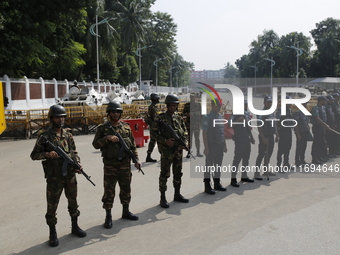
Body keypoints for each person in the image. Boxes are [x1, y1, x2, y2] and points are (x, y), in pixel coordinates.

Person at [30, 105, 86, 247]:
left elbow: (74, 152)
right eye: (57, 117)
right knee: (52, 206)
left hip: (70, 176)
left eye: (62, 117)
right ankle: (52, 232)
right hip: (54, 177)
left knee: (73, 201)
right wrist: (47, 154)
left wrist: (78, 164)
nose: (60, 119)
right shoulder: (44, 135)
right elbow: (34, 155)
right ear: (51, 118)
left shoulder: (68, 134)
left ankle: (75, 226)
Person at [92, 101, 141, 229]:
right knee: (109, 191)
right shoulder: (103, 128)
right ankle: (108, 216)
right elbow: (95, 144)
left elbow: (132, 145)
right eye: (113, 111)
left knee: (126, 188)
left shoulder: (126, 127)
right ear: (109, 113)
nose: (116, 114)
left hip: (125, 164)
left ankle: (126, 211)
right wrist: (106, 138)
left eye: (118, 112)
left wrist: (137, 159)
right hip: (110, 165)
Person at [151, 94, 189, 208]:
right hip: (167, 151)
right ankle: (163, 198)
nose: (173, 107)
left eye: (175, 105)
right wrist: (165, 141)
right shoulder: (160, 118)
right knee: (164, 174)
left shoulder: (178, 117)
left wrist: (185, 142)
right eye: (171, 105)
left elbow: (185, 130)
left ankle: (177, 194)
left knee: (178, 173)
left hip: (178, 150)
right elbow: (153, 133)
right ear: (167, 105)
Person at [202, 98, 227, 194]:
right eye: (218, 105)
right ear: (213, 106)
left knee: (218, 165)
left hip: (219, 145)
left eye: (220, 106)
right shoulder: (207, 117)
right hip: (211, 145)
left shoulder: (220, 116)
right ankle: (207, 185)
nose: (219, 107)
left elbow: (222, 131)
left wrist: (224, 145)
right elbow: (204, 133)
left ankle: (217, 183)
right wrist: (206, 148)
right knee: (209, 166)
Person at [229, 99, 255, 187]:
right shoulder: (235, 114)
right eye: (244, 105)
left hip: (246, 138)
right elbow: (229, 124)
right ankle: (233, 179)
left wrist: (251, 137)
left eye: (246, 105)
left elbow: (248, 126)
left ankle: (244, 176)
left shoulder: (246, 114)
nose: (245, 106)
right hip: (239, 139)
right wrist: (239, 120)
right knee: (237, 159)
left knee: (246, 158)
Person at [254, 95, 279, 179]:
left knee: (269, 154)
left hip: (271, 136)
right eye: (268, 102)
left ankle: (266, 170)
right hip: (264, 136)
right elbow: (259, 125)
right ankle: (256, 173)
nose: (269, 103)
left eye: (270, 102)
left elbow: (274, 124)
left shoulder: (272, 112)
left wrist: (277, 134)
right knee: (261, 154)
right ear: (264, 102)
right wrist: (263, 138)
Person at [182, 93, 203, 158]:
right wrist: (187, 114)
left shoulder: (198, 105)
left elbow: (201, 114)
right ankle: (189, 152)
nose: (192, 98)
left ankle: (198, 152)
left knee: (197, 138)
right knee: (189, 139)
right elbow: (183, 113)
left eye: (193, 97)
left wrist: (193, 114)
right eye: (191, 97)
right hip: (189, 124)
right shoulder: (187, 105)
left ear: (196, 97)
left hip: (196, 124)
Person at [311, 96, 330, 164]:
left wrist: (325, 126)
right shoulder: (316, 108)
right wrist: (325, 125)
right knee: (316, 143)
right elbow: (317, 118)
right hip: (317, 127)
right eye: (324, 100)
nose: (325, 102)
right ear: (320, 101)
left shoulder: (322, 108)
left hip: (322, 128)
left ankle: (320, 156)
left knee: (321, 142)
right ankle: (314, 158)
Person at [276, 96, 294, 168]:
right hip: (282, 131)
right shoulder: (281, 111)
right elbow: (277, 122)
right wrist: (277, 133)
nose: (290, 104)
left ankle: (286, 163)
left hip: (289, 131)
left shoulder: (289, 110)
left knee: (288, 148)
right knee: (281, 149)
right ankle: (279, 165)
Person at [294, 102, 311, 166]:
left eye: (306, 104)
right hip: (300, 132)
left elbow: (306, 121)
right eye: (304, 104)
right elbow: (296, 124)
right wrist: (298, 134)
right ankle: (297, 161)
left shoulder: (305, 112)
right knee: (299, 147)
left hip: (305, 132)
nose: (305, 105)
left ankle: (302, 159)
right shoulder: (298, 113)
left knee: (304, 146)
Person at [146, 93, 160, 162]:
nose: (158, 99)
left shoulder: (154, 106)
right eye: (157, 98)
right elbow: (155, 117)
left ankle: (148, 156)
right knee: (158, 141)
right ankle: (149, 156)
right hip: (154, 126)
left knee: (153, 141)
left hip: (155, 126)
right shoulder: (152, 107)